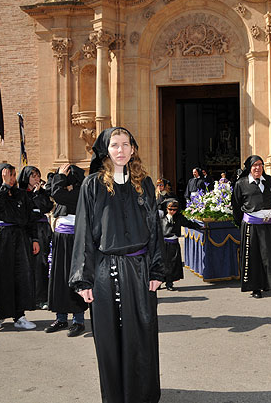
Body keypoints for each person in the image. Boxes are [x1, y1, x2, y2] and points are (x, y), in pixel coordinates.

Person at [69, 127, 165, 403]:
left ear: (133, 149)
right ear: (105, 150)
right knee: (110, 337)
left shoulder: (144, 182)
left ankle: (143, 394)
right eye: (115, 145)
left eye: (126, 144)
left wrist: (157, 269)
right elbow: (84, 232)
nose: (121, 150)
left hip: (139, 268)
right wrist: (82, 279)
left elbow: (154, 228)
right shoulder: (93, 185)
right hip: (104, 269)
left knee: (142, 333)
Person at [0, 163, 38, 330]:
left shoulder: (21, 194)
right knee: (0, 275)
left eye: (13, 176)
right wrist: (4, 187)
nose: (12, 179)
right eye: (8, 176)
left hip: (19, 237)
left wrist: (34, 239)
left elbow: (29, 217)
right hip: (1, 238)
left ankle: (19, 316)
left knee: (20, 276)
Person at [45, 163, 88, 337]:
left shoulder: (80, 192)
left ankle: (78, 320)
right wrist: (58, 178)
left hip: (74, 239)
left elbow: (56, 194)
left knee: (75, 277)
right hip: (60, 238)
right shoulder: (66, 190)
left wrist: (61, 179)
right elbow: (50, 189)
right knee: (59, 278)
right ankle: (60, 317)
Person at [232, 155, 271, 299]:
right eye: (254, 165)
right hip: (251, 226)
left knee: (269, 255)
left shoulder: (269, 181)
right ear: (249, 168)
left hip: (268, 225)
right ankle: (255, 287)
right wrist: (242, 223)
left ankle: (267, 283)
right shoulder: (241, 183)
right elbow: (236, 205)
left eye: (260, 164)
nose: (258, 168)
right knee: (253, 257)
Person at [18, 166, 54, 310]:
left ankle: (41, 297)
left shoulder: (41, 193)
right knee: (27, 265)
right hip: (27, 231)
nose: (37, 179)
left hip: (42, 231)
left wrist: (39, 194)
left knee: (41, 264)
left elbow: (47, 207)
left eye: (38, 176)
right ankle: (28, 297)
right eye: (33, 176)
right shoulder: (20, 193)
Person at [159, 198, 202, 291]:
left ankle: (169, 283)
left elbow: (188, 223)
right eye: (170, 209)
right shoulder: (161, 217)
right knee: (161, 263)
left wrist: (199, 226)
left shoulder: (179, 217)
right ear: (166, 208)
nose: (172, 212)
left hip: (173, 243)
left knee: (172, 264)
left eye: (174, 210)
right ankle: (159, 281)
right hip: (163, 244)